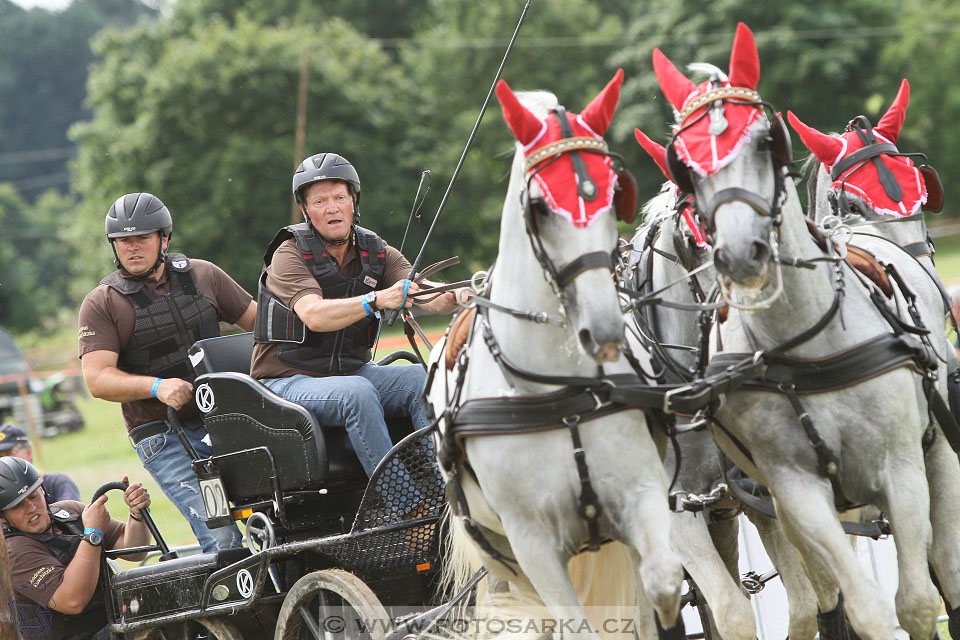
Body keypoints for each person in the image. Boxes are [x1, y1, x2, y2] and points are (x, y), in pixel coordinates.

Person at [250, 153, 469, 495]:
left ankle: (449, 494)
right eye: (320, 201)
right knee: (358, 393)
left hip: (351, 370)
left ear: (354, 202)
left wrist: (457, 295)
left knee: (418, 379)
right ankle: (407, 508)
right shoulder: (288, 254)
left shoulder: (374, 250)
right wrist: (376, 299)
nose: (332, 208)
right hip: (286, 380)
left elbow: (422, 291)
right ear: (306, 211)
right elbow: (314, 314)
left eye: (340, 197)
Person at [77, 193, 256, 552]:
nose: (133, 247)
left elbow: (262, 327)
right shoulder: (103, 303)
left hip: (225, 417)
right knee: (222, 536)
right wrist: (156, 386)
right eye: (124, 240)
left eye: (142, 238)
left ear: (164, 239)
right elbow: (97, 379)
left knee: (274, 511)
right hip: (164, 435)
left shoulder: (204, 275)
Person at [1, 457, 152, 640]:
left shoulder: (69, 512)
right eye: (18, 506)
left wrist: (136, 514)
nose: (31, 508)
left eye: (33, 496)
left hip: (114, 624)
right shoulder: (14, 551)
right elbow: (72, 601)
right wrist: (93, 535)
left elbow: (135, 549)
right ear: (3, 518)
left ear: (42, 490)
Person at [0, 423, 80, 503]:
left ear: (28, 452)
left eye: (8, 454)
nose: (4, 461)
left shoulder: (57, 484)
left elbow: (71, 512)